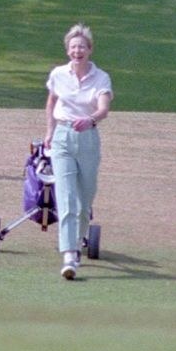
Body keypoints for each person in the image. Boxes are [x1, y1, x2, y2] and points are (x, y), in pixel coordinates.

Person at [43, 23, 113, 279]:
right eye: (73, 47)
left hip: (88, 138)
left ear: (90, 49)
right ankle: (69, 255)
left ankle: (78, 241)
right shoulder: (58, 74)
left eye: (81, 47)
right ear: (67, 50)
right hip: (62, 137)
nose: (77, 51)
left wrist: (90, 119)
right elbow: (51, 101)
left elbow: (103, 108)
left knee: (84, 202)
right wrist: (49, 132)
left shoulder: (101, 77)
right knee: (66, 198)